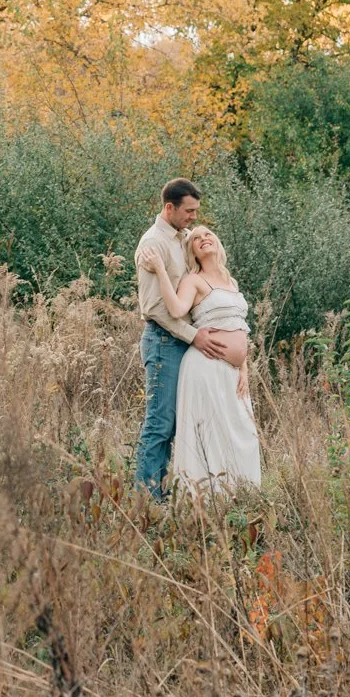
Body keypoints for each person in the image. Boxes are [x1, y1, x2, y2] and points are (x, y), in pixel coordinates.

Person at [133, 178, 241, 496]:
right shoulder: (153, 244)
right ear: (170, 208)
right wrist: (195, 336)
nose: (194, 217)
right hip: (165, 341)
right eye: (189, 211)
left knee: (189, 423)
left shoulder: (182, 237)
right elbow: (155, 308)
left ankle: (185, 493)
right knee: (160, 424)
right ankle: (148, 501)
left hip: (186, 345)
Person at [142, 225, 262, 491]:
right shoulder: (193, 280)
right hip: (206, 367)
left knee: (243, 433)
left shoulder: (232, 282)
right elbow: (175, 309)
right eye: (195, 238)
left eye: (207, 234)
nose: (203, 238)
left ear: (217, 242)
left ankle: (241, 495)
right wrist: (161, 269)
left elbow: (239, 326)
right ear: (193, 252)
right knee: (212, 435)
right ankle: (206, 501)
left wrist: (243, 367)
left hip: (233, 373)